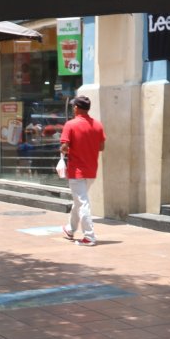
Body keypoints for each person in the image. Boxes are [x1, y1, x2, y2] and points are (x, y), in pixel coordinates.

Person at [60, 95, 105, 247]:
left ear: (76, 108)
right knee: (79, 201)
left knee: (82, 202)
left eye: (73, 106)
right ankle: (70, 229)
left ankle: (89, 237)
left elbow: (64, 148)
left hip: (77, 171)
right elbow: (101, 147)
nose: (73, 108)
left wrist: (66, 149)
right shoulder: (98, 125)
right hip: (91, 170)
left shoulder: (70, 124)